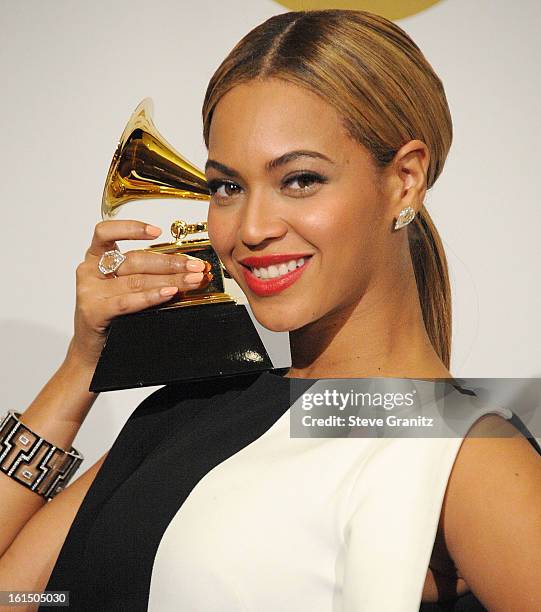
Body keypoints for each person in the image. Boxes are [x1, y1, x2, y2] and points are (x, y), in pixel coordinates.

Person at [1, 8, 540, 611]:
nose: (251, 229)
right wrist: (83, 366)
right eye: (227, 187)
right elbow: (14, 595)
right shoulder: (187, 411)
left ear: (406, 179)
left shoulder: (459, 448)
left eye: (301, 180)